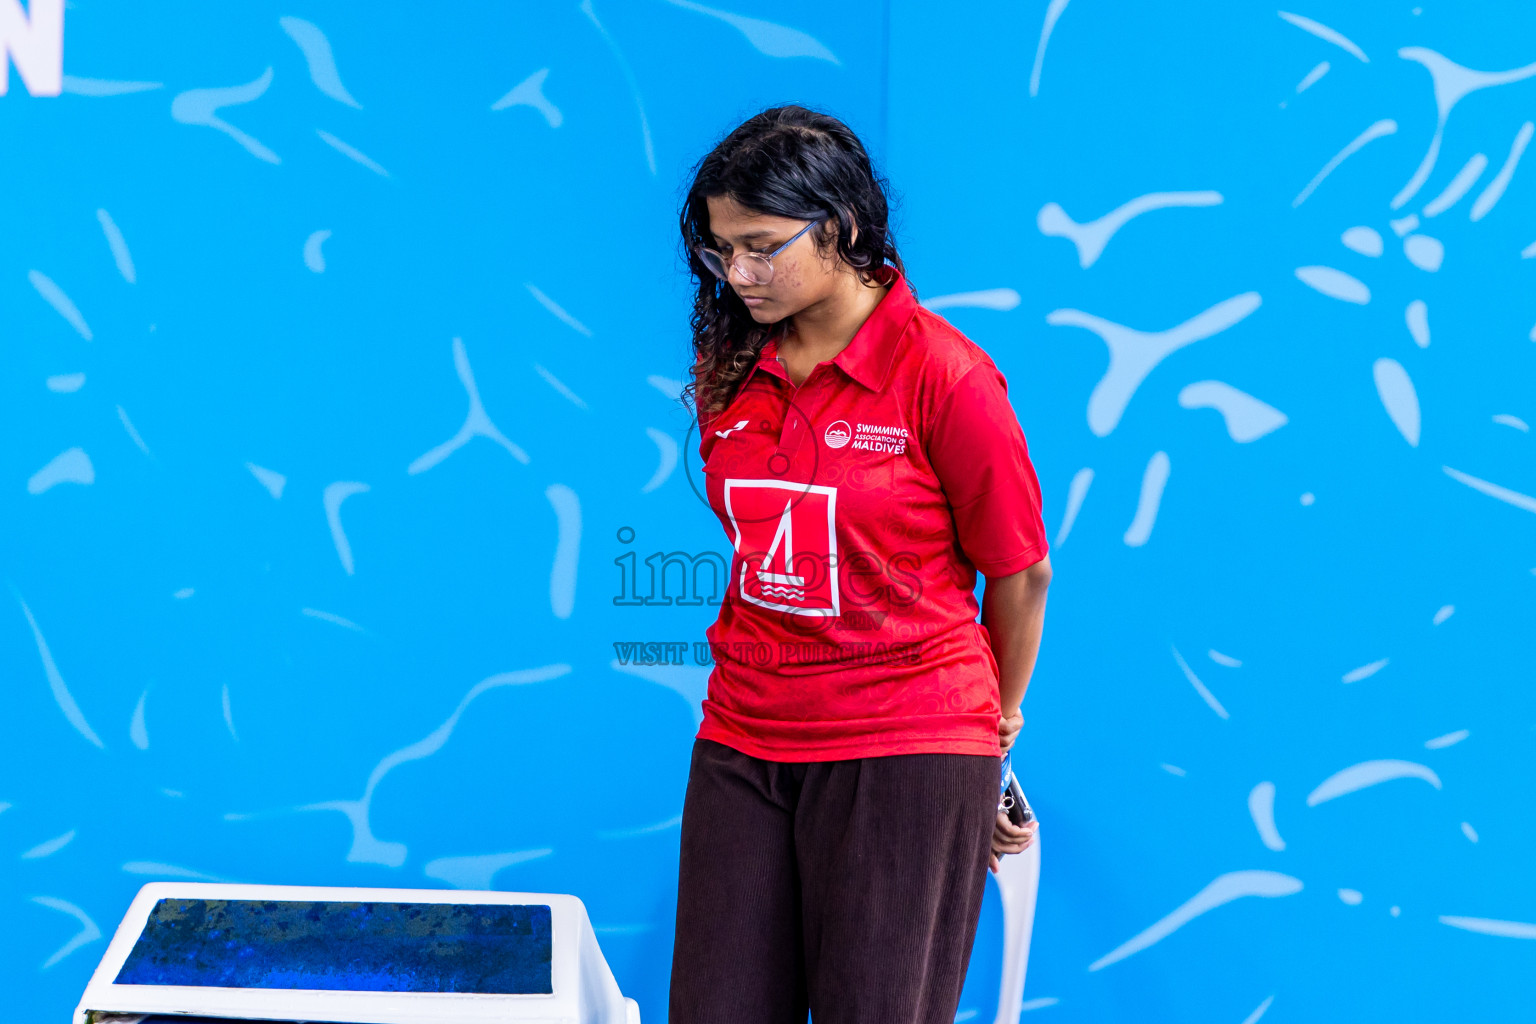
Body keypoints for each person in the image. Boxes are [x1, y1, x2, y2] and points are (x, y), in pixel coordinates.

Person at [670, 105, 1052, 1024]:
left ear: (838, 226)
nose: (739, 274)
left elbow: (1020, 570)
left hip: (907, 742)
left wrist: (995, 726)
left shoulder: (946, 378)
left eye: (762, 246)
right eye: (723, 251)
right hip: (744, 734)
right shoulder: (736, 353)